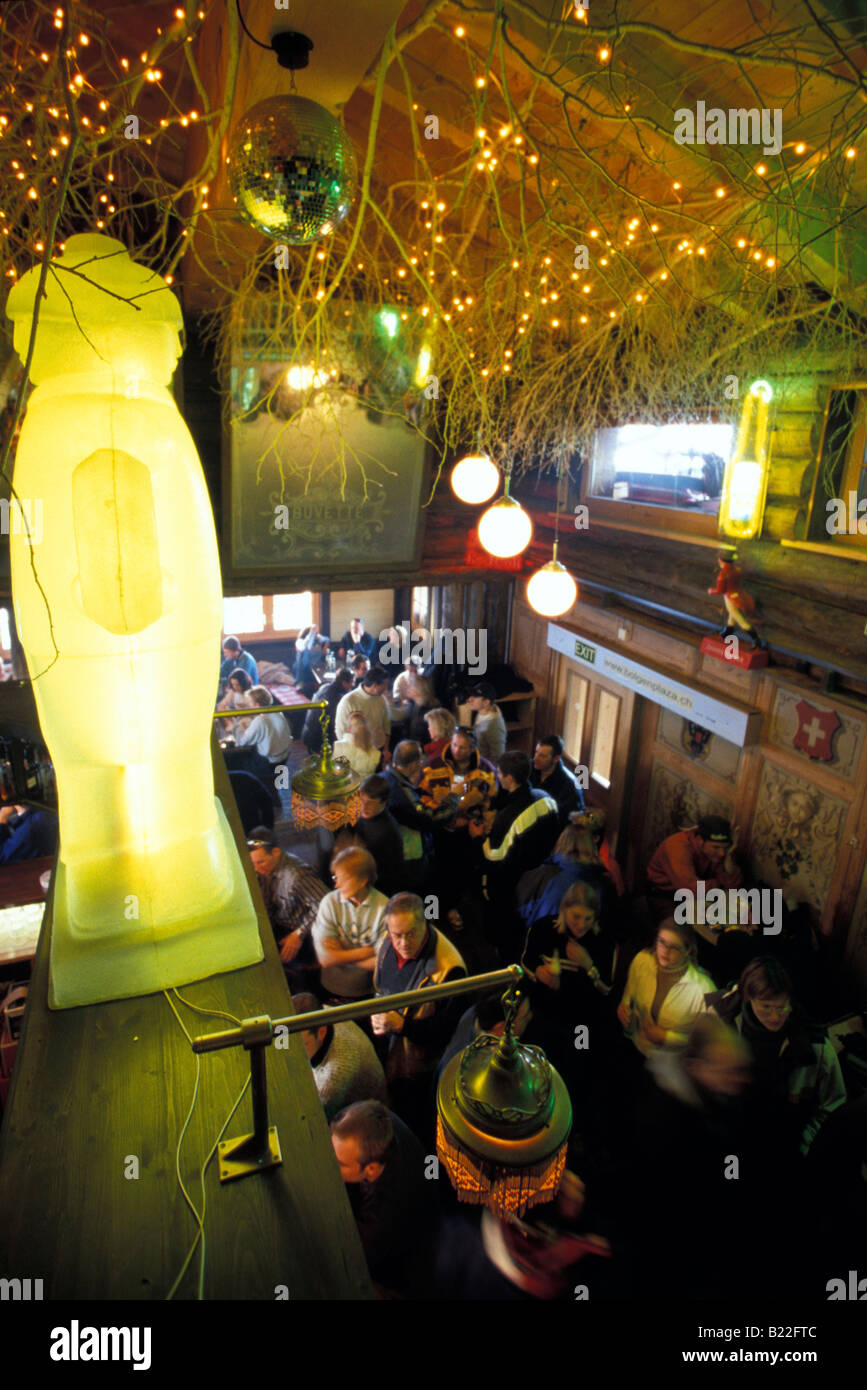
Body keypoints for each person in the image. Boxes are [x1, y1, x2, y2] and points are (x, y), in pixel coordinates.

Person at [706, 956, 847, 1155]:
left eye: (782, 1008)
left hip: (783, 1143)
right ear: (750, 999)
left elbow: (833, 1105)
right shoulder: (720, 1025)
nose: (775, 1017)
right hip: (730, 1136)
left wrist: (804, 1145)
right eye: (766, 1008)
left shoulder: (815, 1047)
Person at [330, 1100, 437, 1290]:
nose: (329, 1164)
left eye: (340, 1164)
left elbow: (352, 1256)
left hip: (402, 1260)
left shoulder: (385, 1213)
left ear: (370, 1170)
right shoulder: (365, 1124)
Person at [372, 892, 467, 1084]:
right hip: (389, 1049)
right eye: (397, 935)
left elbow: (447, 1033)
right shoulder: (386, 941)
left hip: (418, 1069)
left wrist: (402, 1025)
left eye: (411, 933)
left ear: (426, 923)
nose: (404, 943)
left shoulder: (450, 970)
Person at [471, 751, 559, 958]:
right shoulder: (546, 799)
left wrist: (477, 838)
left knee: (505, 935)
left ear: (509, 778)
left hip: (511, 887)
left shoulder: (508, 818)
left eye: (499, 774)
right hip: (541, 879)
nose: (497, 777)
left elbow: (493, 859)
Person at [384, 740, 484, 893]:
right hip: (411, 859)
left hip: (397, 856)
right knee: (428, 891)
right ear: (412, 766)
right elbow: (432, 819)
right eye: (420, 762)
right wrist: (454, 796)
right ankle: (432, 914)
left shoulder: (386, 777)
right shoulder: (402, 792)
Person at [617, 919, 715, 1056]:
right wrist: (626, 1017)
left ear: (687, 950)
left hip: (676, 1065)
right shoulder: (641, 962)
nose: (665, 951)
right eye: (662, 942)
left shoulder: (703, 988)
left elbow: (708, 1040)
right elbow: (628, 999)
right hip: (637, 1050)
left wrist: (667, 1038)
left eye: (674, 947)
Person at [247, 828, 328, 982]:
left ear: (276, 852)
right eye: (253, 864)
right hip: (278, 923)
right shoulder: (262, 871)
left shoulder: (297, 875)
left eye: (260, 862)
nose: (256, 869)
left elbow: (325, 904)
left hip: (303, 933)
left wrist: (298, 934)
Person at [291, 992, 387, 1120]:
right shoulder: (317, 1014)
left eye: (301, 1045)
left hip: (364, 1120)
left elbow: (310, 1118)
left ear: (321, 1032)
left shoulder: (333, 1076)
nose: (290, 1051)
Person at [312, 846, 389, 1000]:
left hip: (367, 990)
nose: (336, 885)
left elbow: (384, 963)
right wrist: (368, 951)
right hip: (332, 987)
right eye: (335, 878)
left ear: (362, 881)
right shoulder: (330, 902)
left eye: (343, 879)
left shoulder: (385, 908)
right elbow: (325, 959)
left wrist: (340, 953)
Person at [516, 816, 610, 932]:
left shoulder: (540, 876)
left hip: (542, 944)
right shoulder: (605, 885)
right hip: (586, 949)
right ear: (592, 847)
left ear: (561, 843)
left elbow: (518, 913)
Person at [646, 814, 742, 921]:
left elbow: (733, 885)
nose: (721, 853)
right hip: (663, 895)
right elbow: (691, 891)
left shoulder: (719, 852)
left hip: (697, 896)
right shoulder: (678, 848)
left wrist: (729, 854)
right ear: (700, 840)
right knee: (681, 927)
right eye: (716, 847)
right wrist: (720, 882)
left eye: (725, 848)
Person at [348, 774, 405, 895]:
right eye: (361, 800)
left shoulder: (387, 831)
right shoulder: (365, 814)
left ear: (384, 802)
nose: (363, 807)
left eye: (370, 803)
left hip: (379, 889)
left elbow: (389, 875)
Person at [419, 725, 497, 807]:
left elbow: (491, 803)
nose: (456, 751)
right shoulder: (431, 767)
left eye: (462, 748)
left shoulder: (487, 770)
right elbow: (421, 798)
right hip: (441, 817)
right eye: (454, 745)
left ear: (472, 749)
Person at [334, 667, 391, 760]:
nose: (386, 688)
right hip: (357, 754)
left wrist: (386, 749)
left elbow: (386, 726)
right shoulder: (348, 701)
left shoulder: (381, 699)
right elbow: (340, 732)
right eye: (385, 685)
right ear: (375, 685)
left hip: (378, 750)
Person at [529, 735, 584, 827]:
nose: (535, 758)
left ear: (556, 758)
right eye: (536, 752)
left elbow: (570, 818)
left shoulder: (570, 784)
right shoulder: (529, 767)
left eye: (542, 756)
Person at [233, 685, 292, 770]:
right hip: (284, 758)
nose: (248, 704)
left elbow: (242, 741)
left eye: (249, 702)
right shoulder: (278, 712)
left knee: (238, 758)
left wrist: (234, 725)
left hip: (269, 763)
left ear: (257, 705)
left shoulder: (260, 720)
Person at [302, 666, 354, 753]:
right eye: (351, 682)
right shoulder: (339, 699)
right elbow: (335, 726)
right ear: (344, 683)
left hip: (307, 734)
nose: (352, 685)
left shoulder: (324, 686)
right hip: (318, 741)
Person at [333, 710, 382, 777]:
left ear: (348, 729)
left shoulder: (336, 746)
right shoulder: (376, 753)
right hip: (364, 787)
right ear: (366, 728)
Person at [467, 682, 507, 762]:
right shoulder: (482, 711)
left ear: (486, 702)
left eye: (475, 697)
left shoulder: (494, 726)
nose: (469, 699)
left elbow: (498, 757)